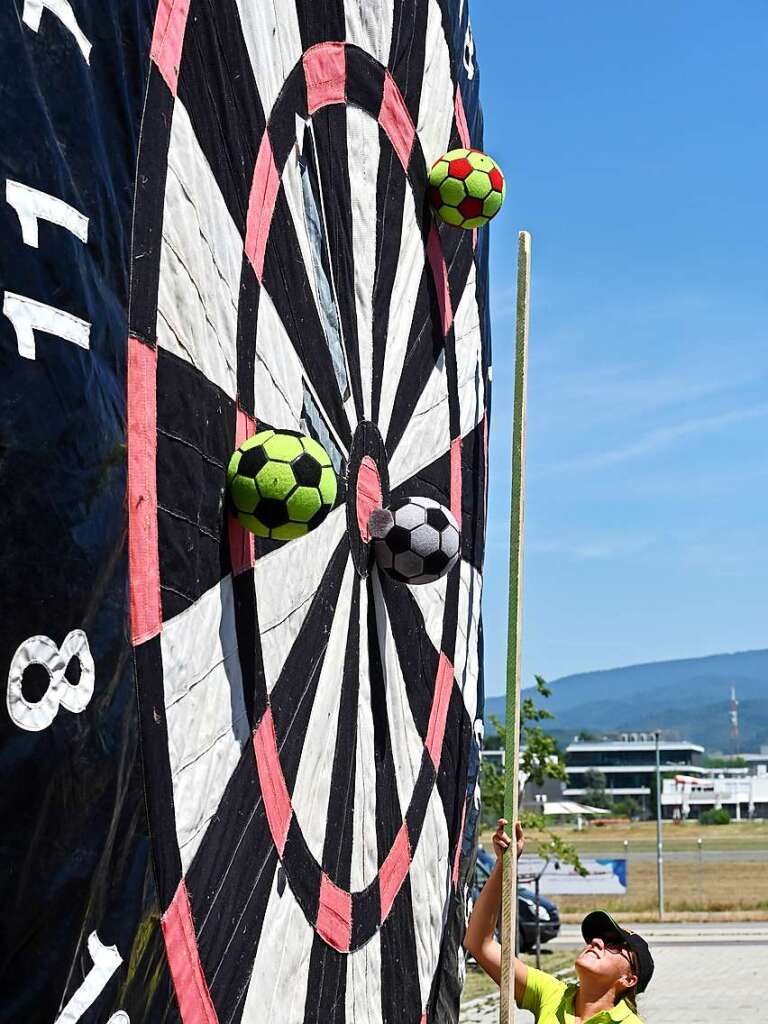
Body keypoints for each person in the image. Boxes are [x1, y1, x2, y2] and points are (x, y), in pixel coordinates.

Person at [464, 819, 654, 1023]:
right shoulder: (552, 994)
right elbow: (479, 943)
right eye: (599, 938)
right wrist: (503, 865)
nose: (597, 942)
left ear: (628, 979)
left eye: (613, 944)